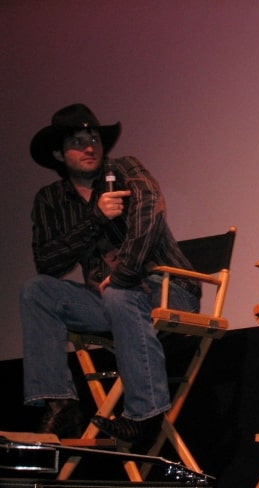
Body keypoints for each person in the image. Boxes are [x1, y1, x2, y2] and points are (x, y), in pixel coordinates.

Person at [21, 103, 201, 450]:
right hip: (110, 301)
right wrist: (95, 218)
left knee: (120, 293)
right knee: (36, 290)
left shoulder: (125, 169)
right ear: (59, 153)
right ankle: (61, 403)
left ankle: (144, 415)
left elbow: (150, 213)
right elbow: (47, 262)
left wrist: (123, 275)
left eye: (94, 138)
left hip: (168, 289)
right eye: (78, 141)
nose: (90, 146)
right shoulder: (50, 199)